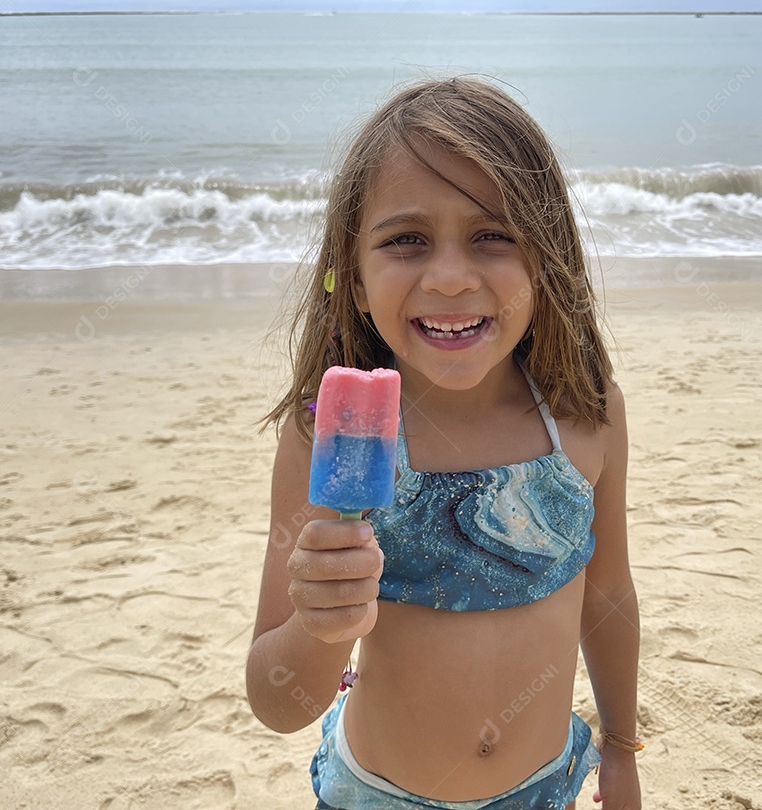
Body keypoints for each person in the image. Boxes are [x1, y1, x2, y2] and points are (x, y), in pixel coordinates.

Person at [246, 77, 642, 810]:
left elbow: (609, 594)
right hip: (376, 795)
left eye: (493, 235)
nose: (452, 278)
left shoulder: (587, 418)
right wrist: (321, 623)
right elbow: (277, 702)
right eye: (406, 240)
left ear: (546, 258)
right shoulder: (320, 436)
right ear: (354, 280)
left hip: (544, 790)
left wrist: (621, 746)